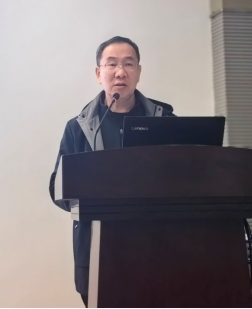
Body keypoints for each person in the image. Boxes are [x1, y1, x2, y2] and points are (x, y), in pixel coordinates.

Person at [49, 36, 175, 307]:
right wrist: (93, 198)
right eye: (112, 64)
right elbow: (56, 188)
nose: (120, 72)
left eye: (129, 64)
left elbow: (185, 176)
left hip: (156, 250)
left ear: (138, 72)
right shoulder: (78, 127)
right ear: (99, 73)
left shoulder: (165, 121)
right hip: (97, 252)